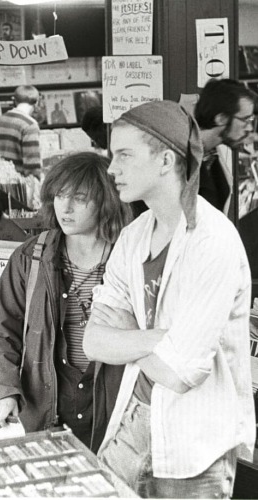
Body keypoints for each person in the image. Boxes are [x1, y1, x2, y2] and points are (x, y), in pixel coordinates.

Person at [84, 101, 256, 498]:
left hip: (195, 446)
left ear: (165, 159)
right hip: (134, 424)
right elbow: (93, 341)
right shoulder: (133, 236)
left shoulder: (212, 241)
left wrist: (124, 338)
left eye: (124, 155)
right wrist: (160, 339)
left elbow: (182, 374)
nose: (112, 169)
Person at [0, 152, 132, 451]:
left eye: (79, 198)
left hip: (114, 412)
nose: (66, 207)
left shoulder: (129, 258)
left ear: (106, 200)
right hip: (45, 409)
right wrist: (2, 391)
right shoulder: (32, 256)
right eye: (59, 196)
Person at [194, 78, 256, 214]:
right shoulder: (180, 158)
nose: (249, 128)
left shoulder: (211, 155)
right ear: (221, 119)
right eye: (246, 120)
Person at [0, 85, 42, 178]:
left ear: (15, 101)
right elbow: (32, 166)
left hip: (2, 182)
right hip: (21, 186)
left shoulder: (0, 120)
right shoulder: (30, 125)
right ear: (36, 103)